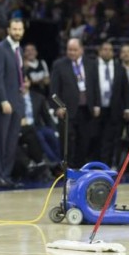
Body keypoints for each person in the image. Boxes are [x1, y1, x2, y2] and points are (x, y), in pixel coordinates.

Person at [50, 38, 100, 168]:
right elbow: (54, 89)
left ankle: (80, 167)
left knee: (84, 140)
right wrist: (58, 107)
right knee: (68, 141)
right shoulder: (59, 65)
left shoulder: (91, 64)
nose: (71, 52)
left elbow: (96, 86)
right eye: (69, 50)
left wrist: (96, 104)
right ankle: (68, 168)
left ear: (81, 50)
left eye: (74, 50)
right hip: (67, 110)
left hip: (86, 109)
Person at [0, 18, 25, 188]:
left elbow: (16, 75)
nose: (17, 32)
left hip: (17, 102)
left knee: (11, 141)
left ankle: (6, 174)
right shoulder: (0, 49)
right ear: (8, 30)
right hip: (4, 103)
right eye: (14, 29)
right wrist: (3, 99)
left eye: (20, 29)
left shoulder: (18, 49)